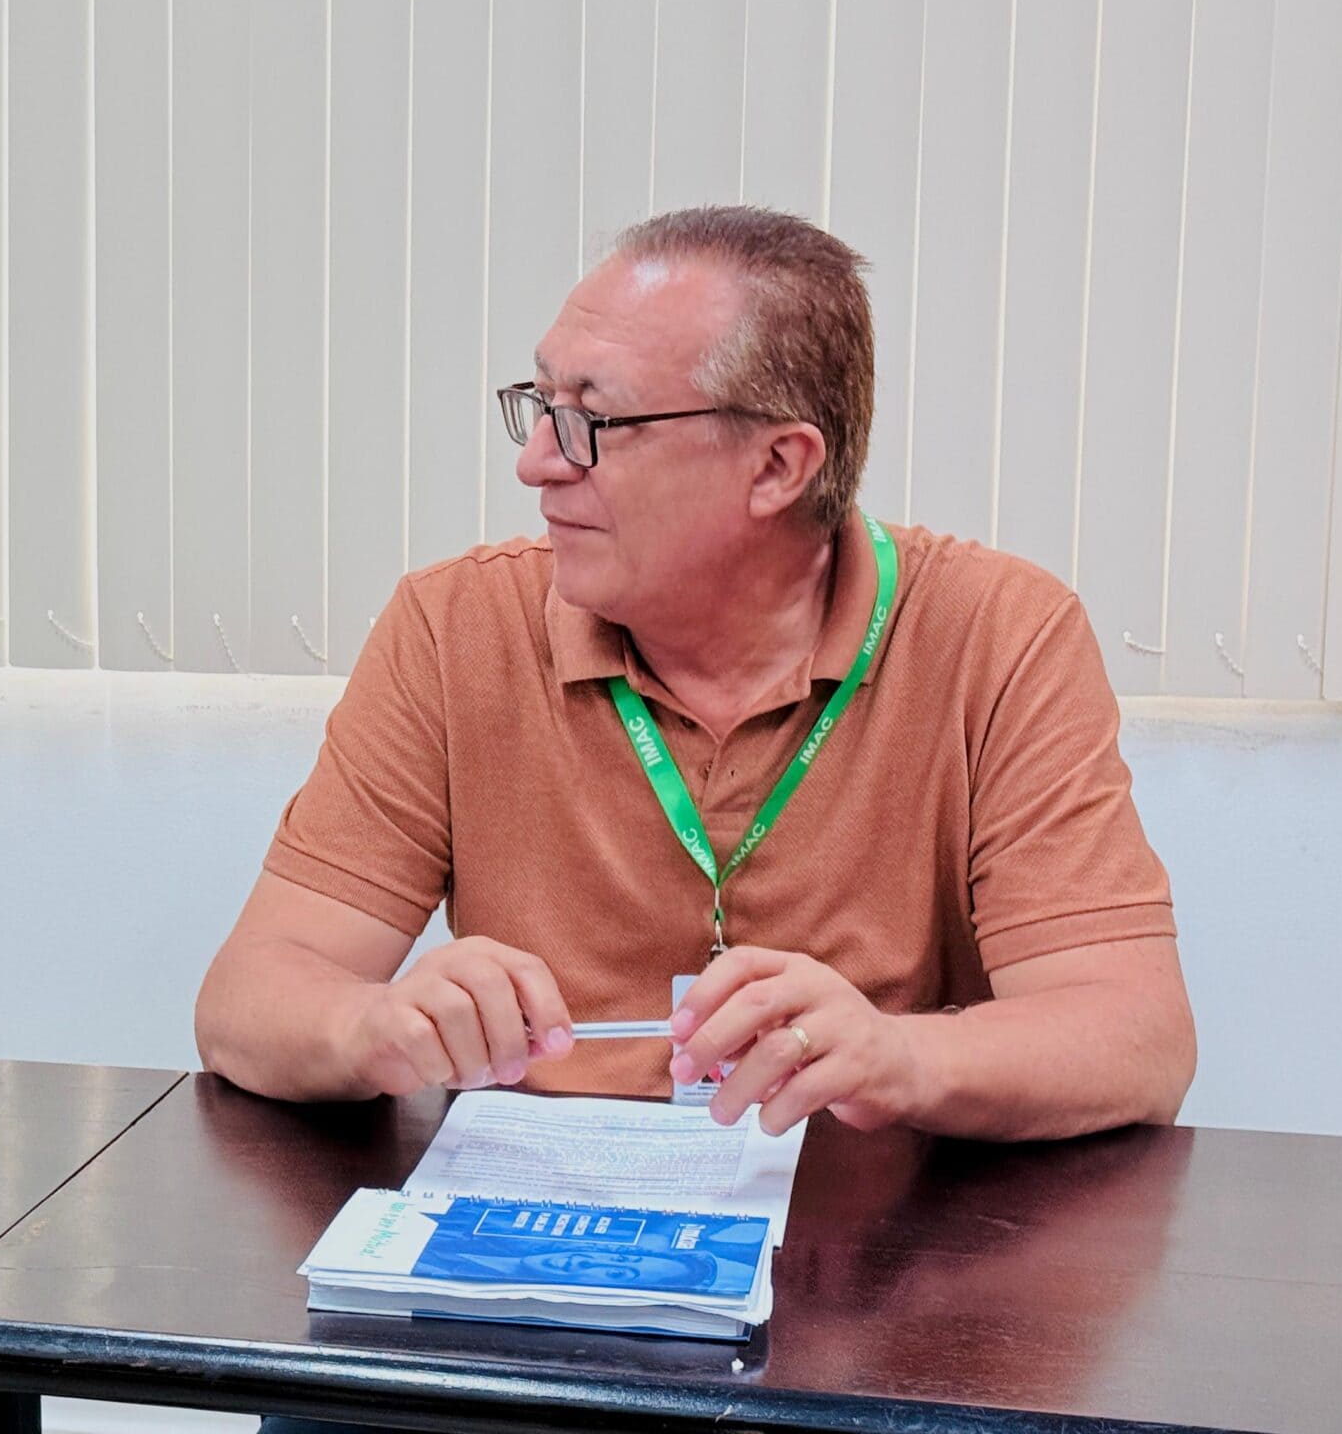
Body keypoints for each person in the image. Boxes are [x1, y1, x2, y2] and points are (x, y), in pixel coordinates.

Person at [195, 204, 1194, 1144]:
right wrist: (374, 1027)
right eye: (540, 405)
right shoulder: (454, 626)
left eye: (592, 421)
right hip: (548, 1244)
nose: (537, 463)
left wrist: (898, 1056)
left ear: (776, 467)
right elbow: (246, 1006)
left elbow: (1137, 1043)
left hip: (874, 1262)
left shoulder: (997, 634)